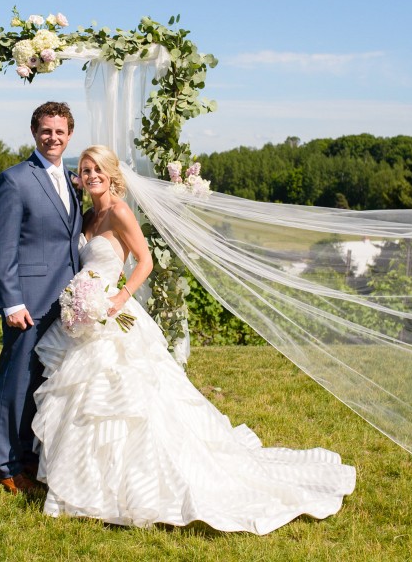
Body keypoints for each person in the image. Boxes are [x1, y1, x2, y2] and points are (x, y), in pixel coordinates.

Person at [31, 146, 356, 534]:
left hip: (113, 314)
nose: (91, 175)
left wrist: (118, 298)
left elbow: (145, 260)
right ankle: (90, 483)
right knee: (83, 402)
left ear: (111, 173)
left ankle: (135, 487)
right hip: (85, 319)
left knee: (126, 402)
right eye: (85, 170)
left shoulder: (119, 211)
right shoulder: (88, 216)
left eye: (98, 169)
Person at [0, 102, 83, 494]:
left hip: (67, 303)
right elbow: (1, 246)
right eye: (46, 131)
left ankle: (28, 453)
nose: (53, 138)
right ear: (34, 132)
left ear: (70, 135)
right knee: (17, 381)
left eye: (60, 132)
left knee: (45, 380)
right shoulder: (14, 180)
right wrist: (12, 302)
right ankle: (5, 465)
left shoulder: (76, 180)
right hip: (28, 301)